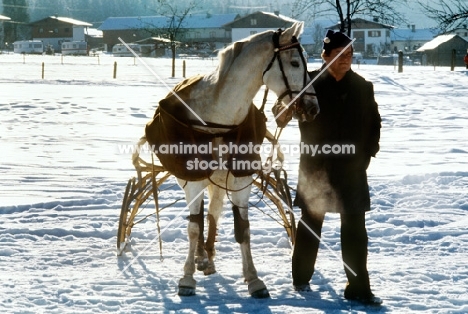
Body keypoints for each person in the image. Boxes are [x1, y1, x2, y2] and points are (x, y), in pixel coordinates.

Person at [291, 30, 382, 305]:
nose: (346, 59)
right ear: (326, 56)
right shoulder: (309, 85)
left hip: (352, 171)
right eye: (340, 55)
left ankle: (358, 287)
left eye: (350, 55)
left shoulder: (363, 87)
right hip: (316, 169)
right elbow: (284, 111)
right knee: (310, 225)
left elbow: (374, 125)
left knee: (355, 231)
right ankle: (301, 277)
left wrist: (367, 155)